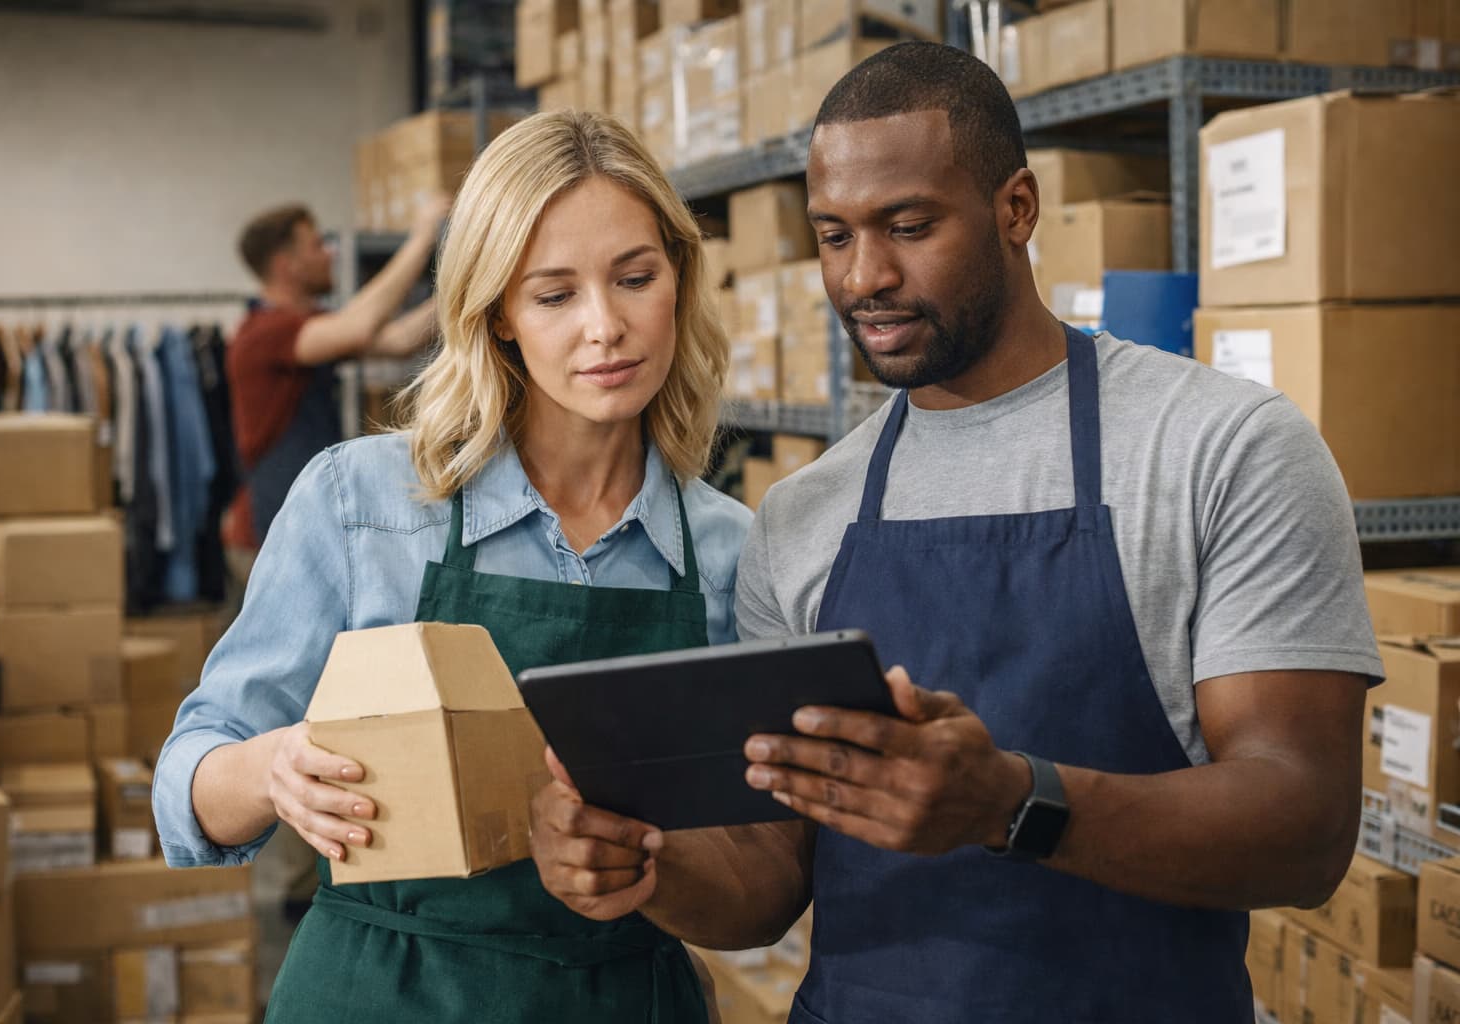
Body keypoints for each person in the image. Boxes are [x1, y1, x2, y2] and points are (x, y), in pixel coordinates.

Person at [528, 42, 1381, 1022]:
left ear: (1016, 209)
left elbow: (1305, 828)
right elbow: (770, 879)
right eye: (834, 235)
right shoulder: (806, 515)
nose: (865, 276)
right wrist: (643, 863)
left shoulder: (1224, 449)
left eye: (908, 225)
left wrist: (1013, 802)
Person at [153, 109, 749, 1022]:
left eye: (635, 278)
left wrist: (654, 870)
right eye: (554, 295)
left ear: (679, 278)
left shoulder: (730, 553)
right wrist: (274, 768)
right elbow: (190, 774)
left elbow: (761, 873)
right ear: (499, 315)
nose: (606, 327)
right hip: (384, 991)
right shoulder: (365, 505)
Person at [223, 197, 449, 583]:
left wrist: (467, 289)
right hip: (268, 534)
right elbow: (357, 327)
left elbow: (399, 339)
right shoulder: (262, 333)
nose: (329, 253)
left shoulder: (309, 325)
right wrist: (422, 236)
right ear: (286, 264)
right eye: (316, 245)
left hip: (295, 524)